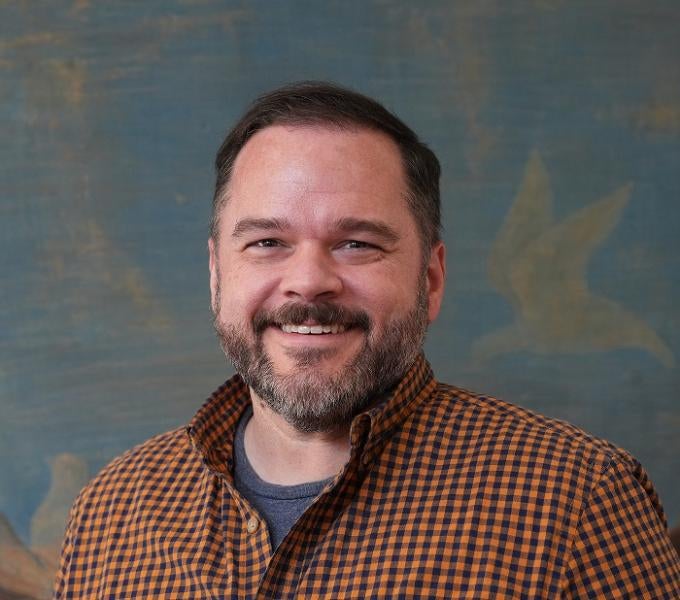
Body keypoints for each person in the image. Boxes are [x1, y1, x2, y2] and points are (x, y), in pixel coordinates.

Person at [55, 82, 680, 599]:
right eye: (267, 242)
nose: (308, 282)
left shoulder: (578, 498)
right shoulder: (111, 513)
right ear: (219, 274)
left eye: (357, 243)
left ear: (429, 280)